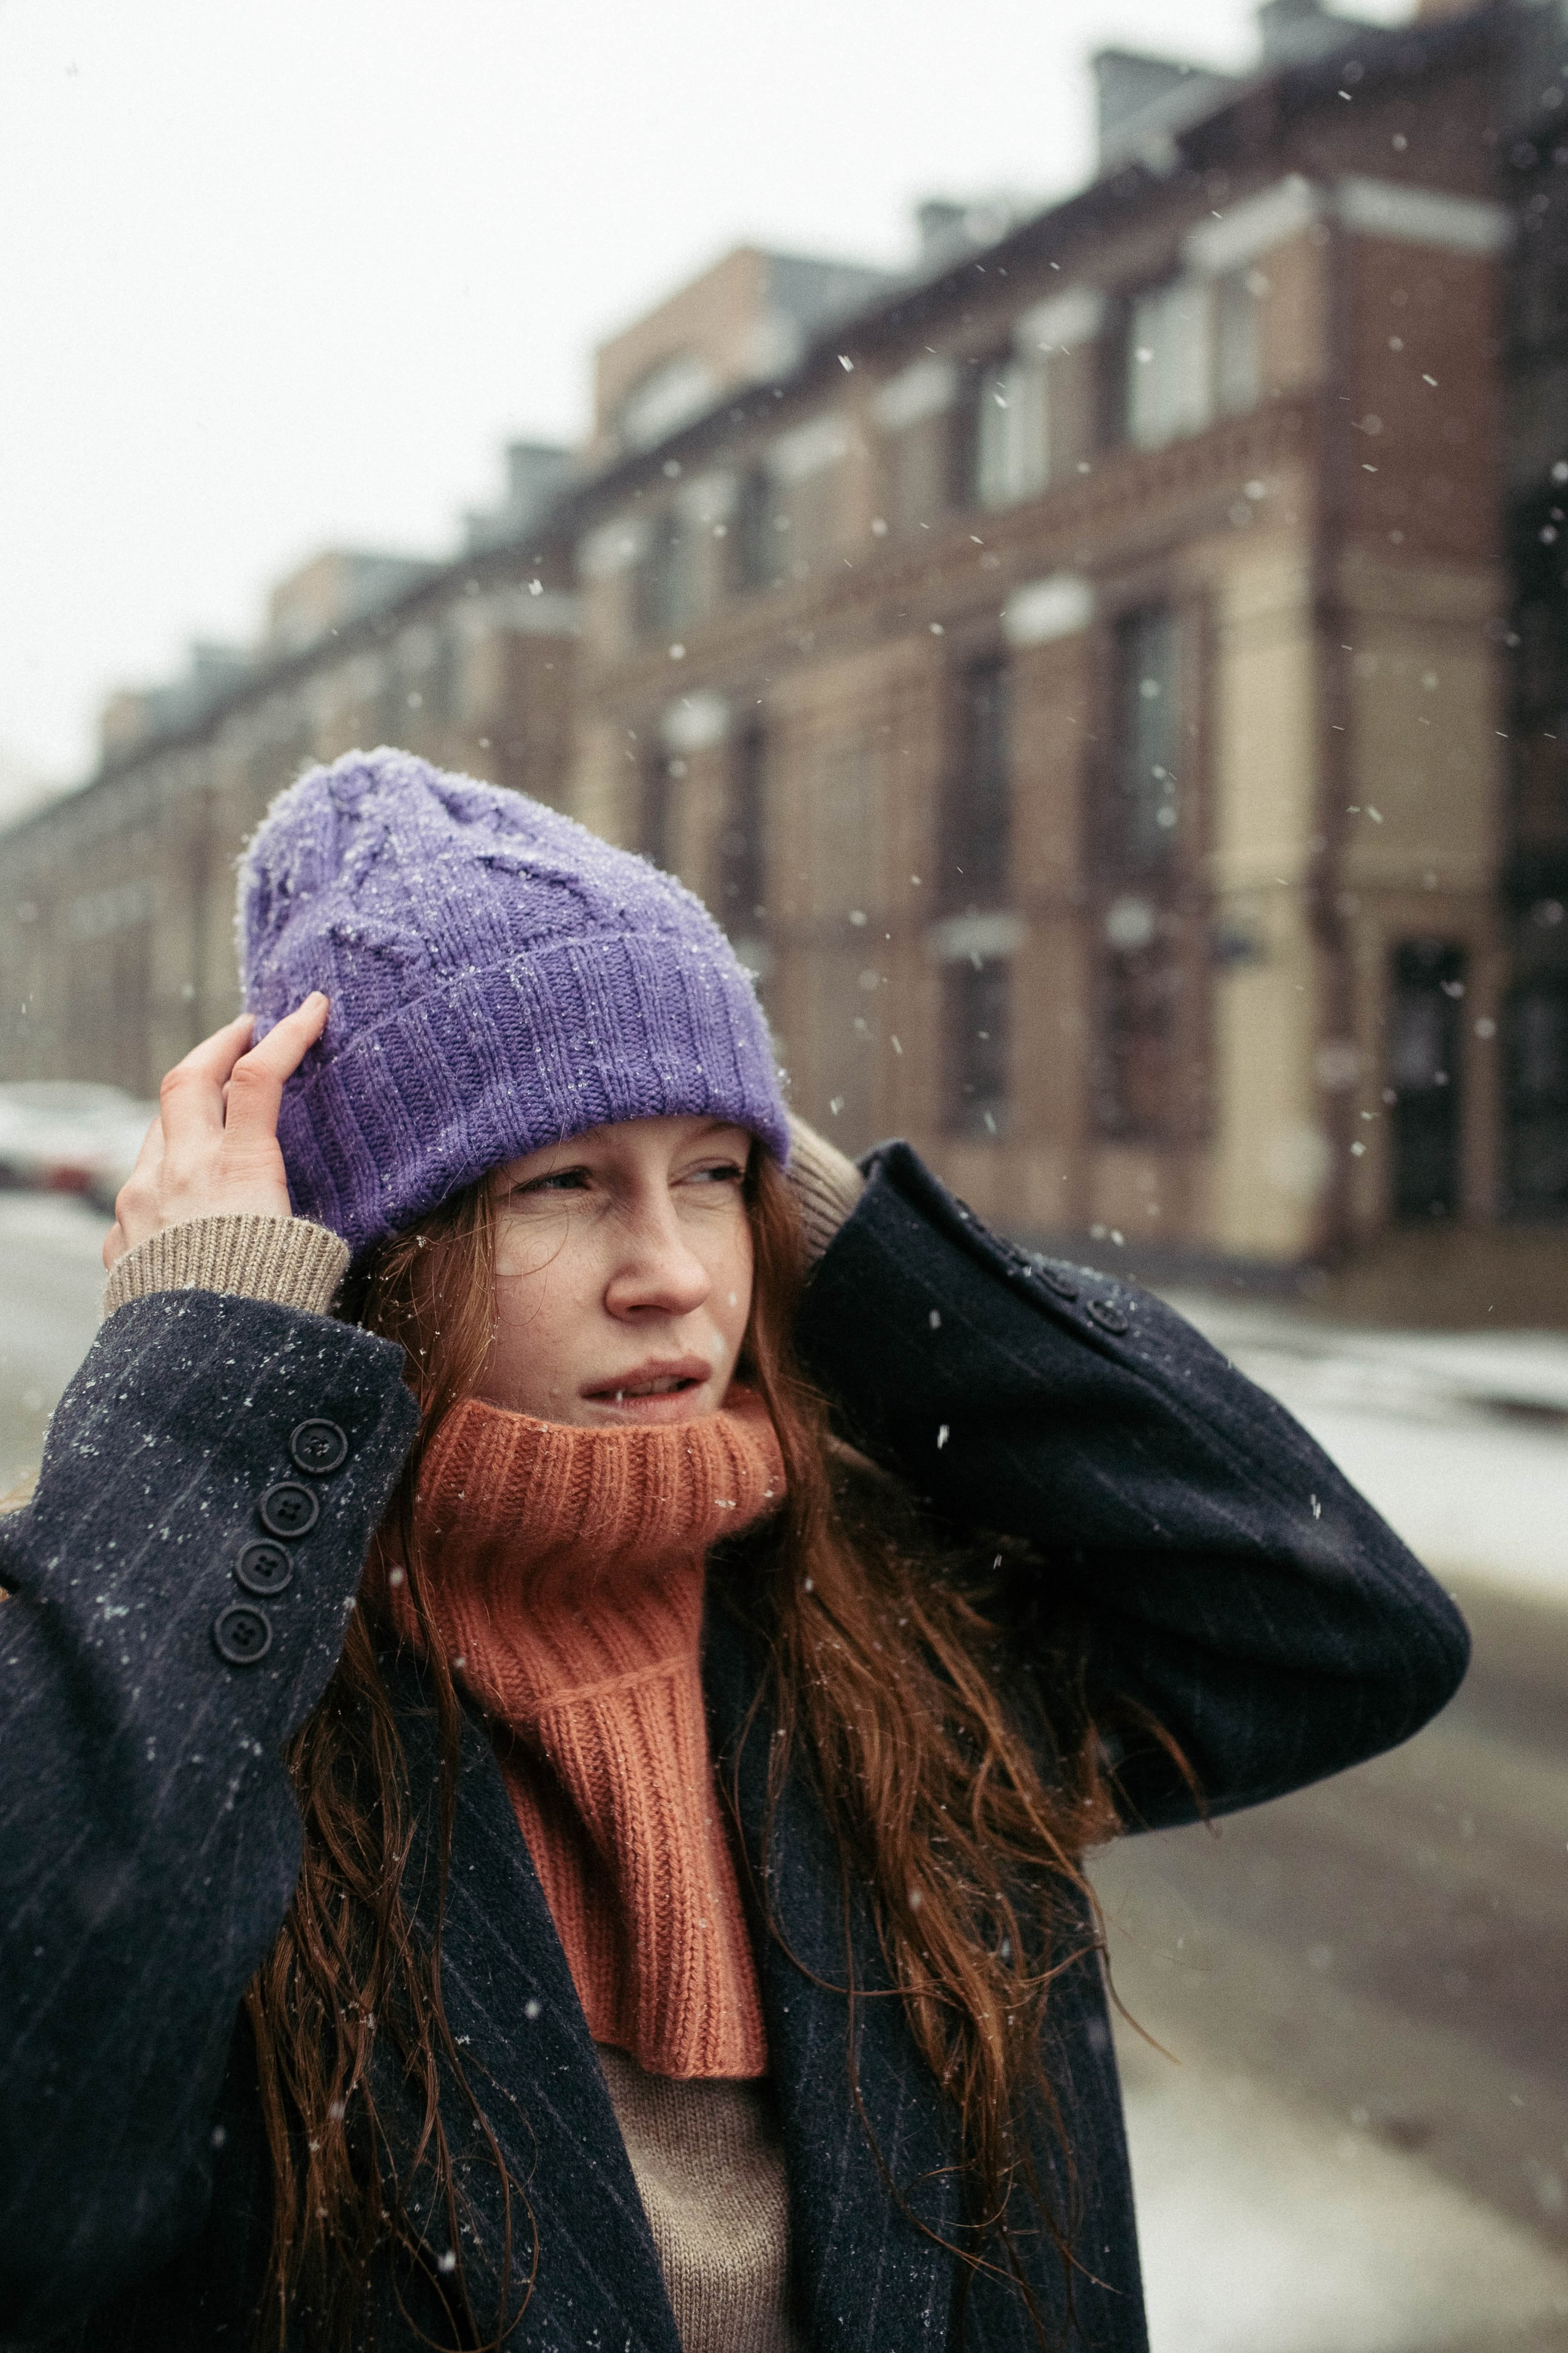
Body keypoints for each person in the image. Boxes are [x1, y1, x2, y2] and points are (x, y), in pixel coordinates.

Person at [0, 747, 1467, 2353]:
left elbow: (1341, 1626)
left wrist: (852, 1239)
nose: (675, 1274)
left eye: (712, 1177)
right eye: (561, 1181)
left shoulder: (887, 1629)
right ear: (372, 1253)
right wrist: (209, 1383)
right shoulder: (206, 1686)